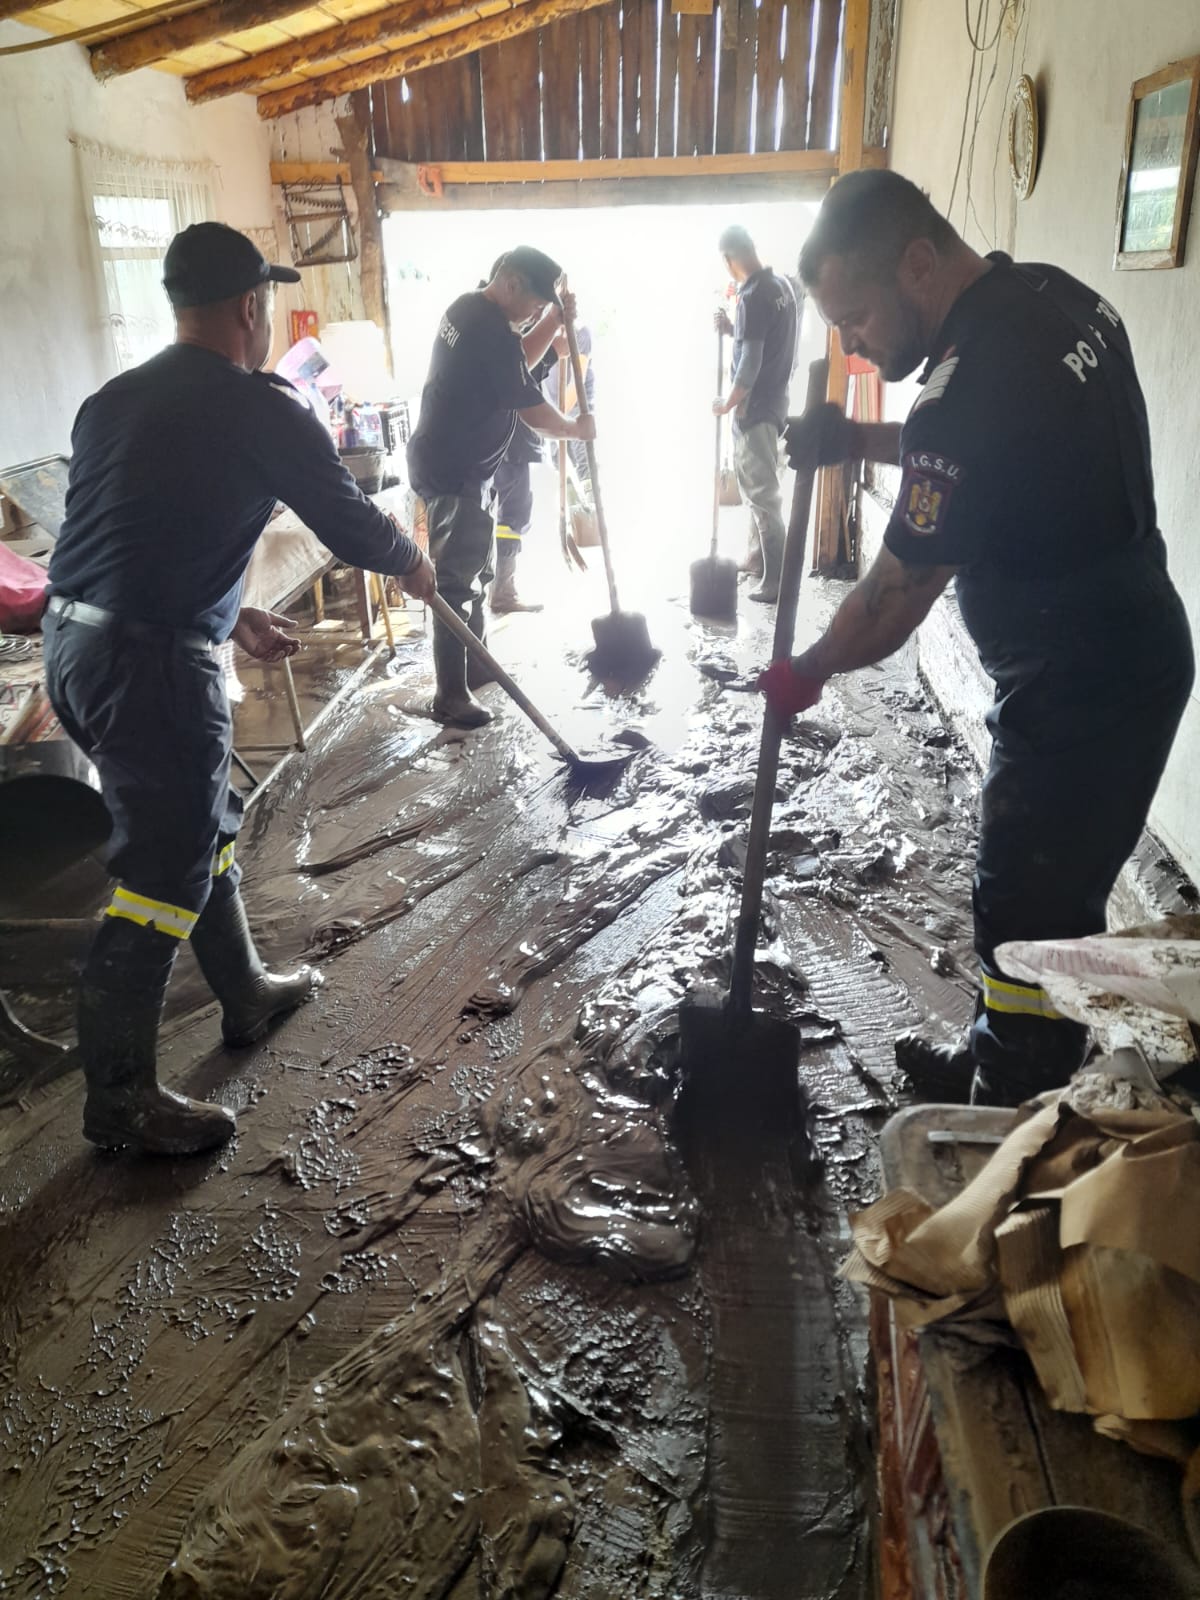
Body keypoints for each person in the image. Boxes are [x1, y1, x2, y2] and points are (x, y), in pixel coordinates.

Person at [762, 169, 1194, 1107]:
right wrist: (855, 441)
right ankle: (1006, 1049)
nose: (852, 343)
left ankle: (1010, 1099)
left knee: (1026, 905)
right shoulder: (1056, 299)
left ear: (917, 263)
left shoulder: (964, 392)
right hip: (1132, 644)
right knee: (1044, 890)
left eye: (857, 317)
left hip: (1080, 684)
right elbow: (982, 448)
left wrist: (809, 668)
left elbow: (894, 594)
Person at [44, 222, 437, 1157]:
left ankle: (246, 990)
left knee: (197, 820)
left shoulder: (112, 400)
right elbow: (347, 520)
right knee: (161, 872)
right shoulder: (262, 409)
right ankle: (120, 1099)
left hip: (78, 646)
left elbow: (141, 536)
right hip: (148, 669)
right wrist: (411, 562)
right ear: (251, 308)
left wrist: (230, 616)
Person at [406, 248, 595, 726]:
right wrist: (573, 429)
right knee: (455, 584)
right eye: (535, 304)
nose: (534, 313)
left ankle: (476, 668)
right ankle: (451, 694)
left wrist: (553, 320)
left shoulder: (472, 310)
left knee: (476, 574)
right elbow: (531, 409)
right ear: (511, 283)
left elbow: (516, 366)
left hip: (458, 466)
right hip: (455, 471)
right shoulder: (488, 328)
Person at [712, 224, 798, 602]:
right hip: (776, 403)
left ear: (729, 259)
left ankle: (775, 580)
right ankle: (756, 559)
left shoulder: (751, 295)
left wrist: (729, 401)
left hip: (756, 409)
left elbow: (751, 360)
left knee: (763, 497)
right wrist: (733, 329)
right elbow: (765, 337)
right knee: (760, 489)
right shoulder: (781, 287)